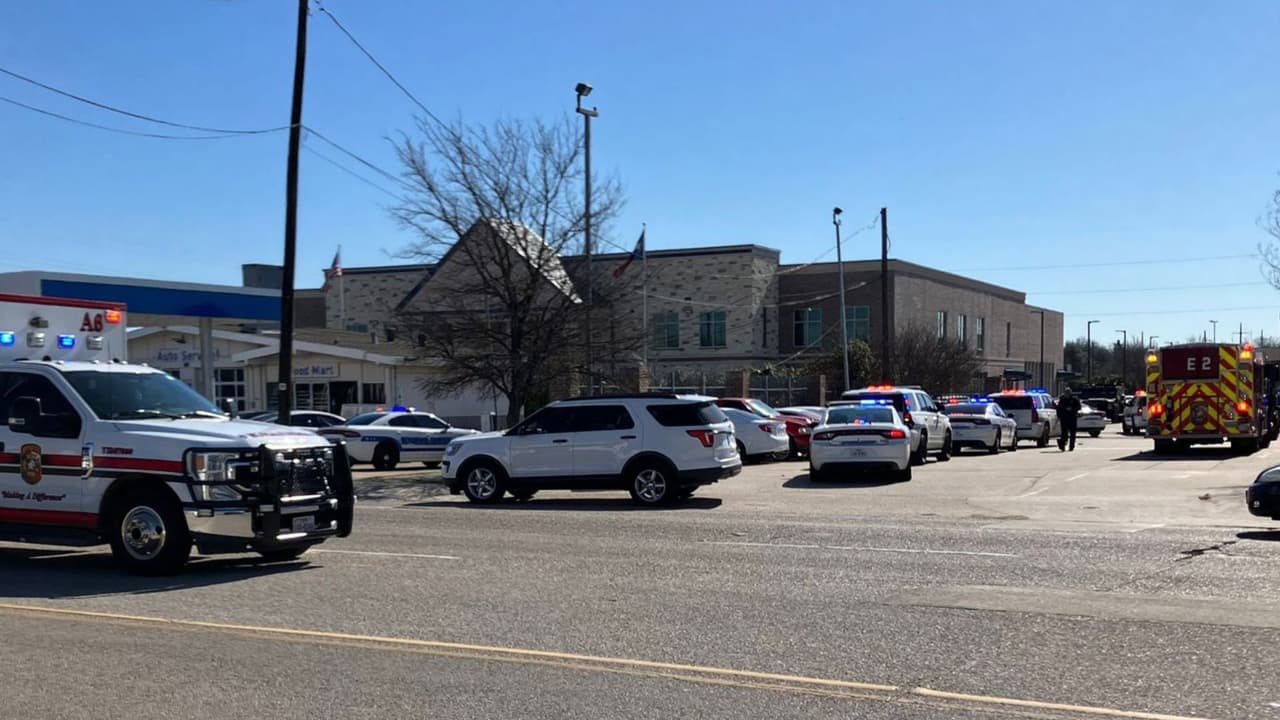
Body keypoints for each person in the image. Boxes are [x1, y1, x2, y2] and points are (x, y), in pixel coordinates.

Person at [1056, 387, 1082, 451]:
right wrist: (1059, 416)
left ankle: (1071, 446)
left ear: (1070, 393)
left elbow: (1079, 407)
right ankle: (1062, 445)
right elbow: (1059, 408)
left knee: (1072, 433)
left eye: (1068, 392)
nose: (1067, 393)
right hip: (1064, 418)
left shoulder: (1074, 399)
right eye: (1066, 392)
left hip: (1072, 418)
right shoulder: (1062, 400)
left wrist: (1072, 409)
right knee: (1064, 433)